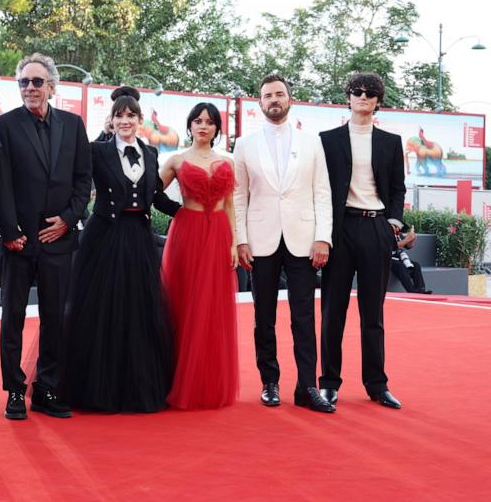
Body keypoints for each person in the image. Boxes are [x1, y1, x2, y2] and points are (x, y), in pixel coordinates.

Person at [65, 87, 179, 413]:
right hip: (106, 238)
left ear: (140, 120)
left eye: (131, 116)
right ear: (112, 120)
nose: (125, 120)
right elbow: (79, 181)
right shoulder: (97, 151)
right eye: (120, 115)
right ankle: (98, 389)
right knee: (103, 311)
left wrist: (190, 213)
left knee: (139, 311)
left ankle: (136, 387)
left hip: (139, 237)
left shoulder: (152, 153)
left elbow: (155, 197)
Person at [0, 52, 92, 420]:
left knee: (55, 316)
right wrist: (8, 230)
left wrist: (67, 219)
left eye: (37, 82)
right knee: (12, 317)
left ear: (52, 86)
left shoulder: (73, 124)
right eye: (23, 82)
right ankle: (14, 390)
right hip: (18, 241)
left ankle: (47, 388)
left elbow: (84, 180)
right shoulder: (4, 125)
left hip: (59, 239)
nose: (30, 88)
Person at [233, 74, 335, 413]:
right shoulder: (245, 144)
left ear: (290, 100)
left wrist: (323, 236)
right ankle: (269, 383)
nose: (274, 100)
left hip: (303, 241)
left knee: (304, 317)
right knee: (264, 317)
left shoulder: (311, 143)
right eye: (267, 95)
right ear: (259, 103)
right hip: (260, 241)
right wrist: (241, 240)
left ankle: (307, 386)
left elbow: (322, 192)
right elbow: (238, 195)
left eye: (279, 94)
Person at [319, 73, 406, 410]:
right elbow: (320, 189)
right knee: (332, 311)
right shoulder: (327, 140)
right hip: (340, 231)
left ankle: (377, 385)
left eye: (371, 93)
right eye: (357, 91)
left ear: (378, 101)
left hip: (376, 229)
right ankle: (328, 383)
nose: (363, 97)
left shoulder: (391, 142)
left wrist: (393, 224)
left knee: (373, 313)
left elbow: (397, 188)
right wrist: (322, 234)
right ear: (349, 97)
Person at [160, 102, 239, 410]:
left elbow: (230, 205)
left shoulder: (227, 162)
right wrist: (175, 210)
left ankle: (207, 382)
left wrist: (233, 243)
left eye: (209, 122)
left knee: (212, 308)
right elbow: (152, 192)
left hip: (218, 233)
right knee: (183, 302)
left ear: (217, 128)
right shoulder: (176, 160)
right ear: (190, 126)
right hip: (186, 233)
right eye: (197, 121)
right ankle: (176, 378)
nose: (203, 126)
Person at [390, 228, 431, 294]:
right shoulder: (385, 233)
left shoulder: (398, 234)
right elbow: (392, 246)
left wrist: (412, 239)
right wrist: (407, 239)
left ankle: (421, 289)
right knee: (400, 266)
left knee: (416, 265)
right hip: (387, 258)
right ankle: (411, 290)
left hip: (399, 257)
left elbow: (408, 246)